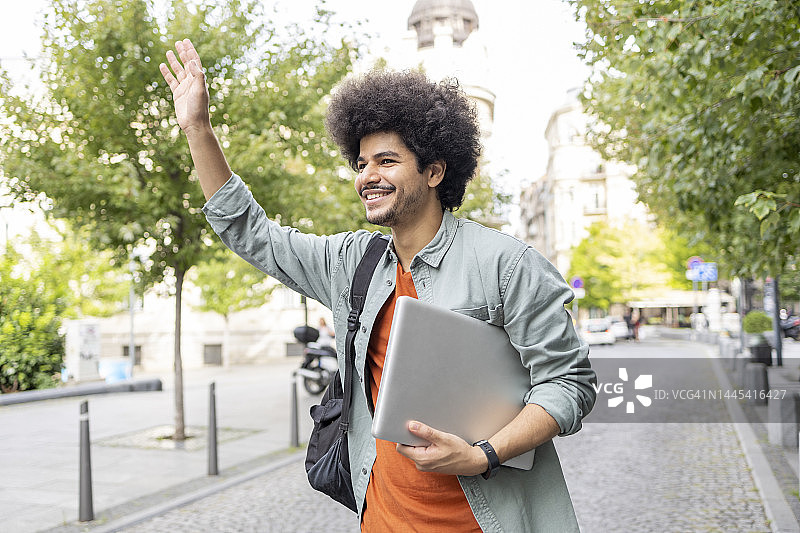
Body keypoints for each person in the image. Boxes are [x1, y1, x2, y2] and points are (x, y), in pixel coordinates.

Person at [160, 38, 595, 532]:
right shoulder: (351, 263)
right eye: (361, 164)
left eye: (386, 161)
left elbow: (569, 384)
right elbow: (250, 232)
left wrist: (483, 455)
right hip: (382, 519)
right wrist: (198, 129)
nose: (367, 176)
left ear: (434, 171)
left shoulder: (507, 265)